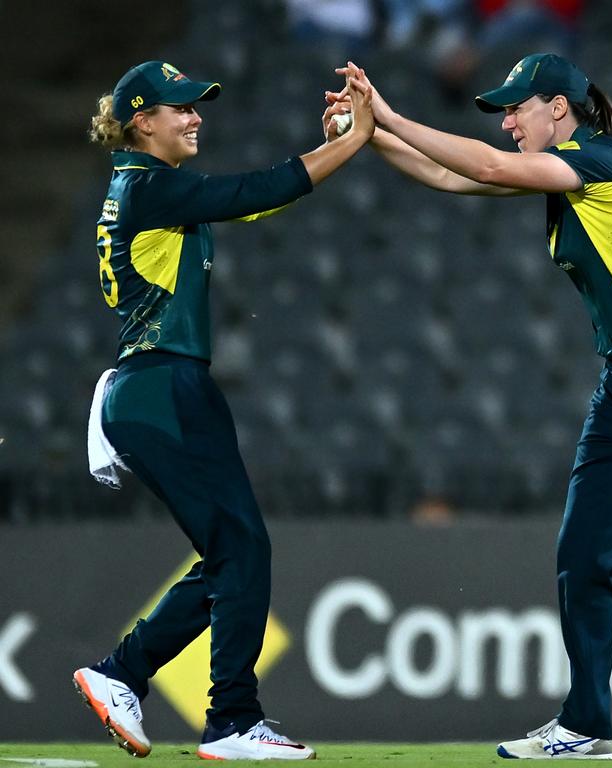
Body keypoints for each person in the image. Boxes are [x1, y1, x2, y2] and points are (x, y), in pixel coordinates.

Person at [327, 53, 612, 758]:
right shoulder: (563, 170)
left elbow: (487, 167)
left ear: (558, 109)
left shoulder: (596, 161)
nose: (507, 123)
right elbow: (450, 175)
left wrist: (388, 114)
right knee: (581, 555)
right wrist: (366, 135)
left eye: (516, 108)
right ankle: (586, 725)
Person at [75, 59, 373, 761]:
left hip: (159, 385)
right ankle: (231, 719)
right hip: (163, 387)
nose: (195, 115)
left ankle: (125, 675)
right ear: (142, 120)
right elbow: (254, 191)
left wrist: (331, 144)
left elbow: (255, 199)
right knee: (241, 548)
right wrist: (352, 140)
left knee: (233, 551)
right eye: (181, 107)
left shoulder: (147, 186)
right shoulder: (148, 186)